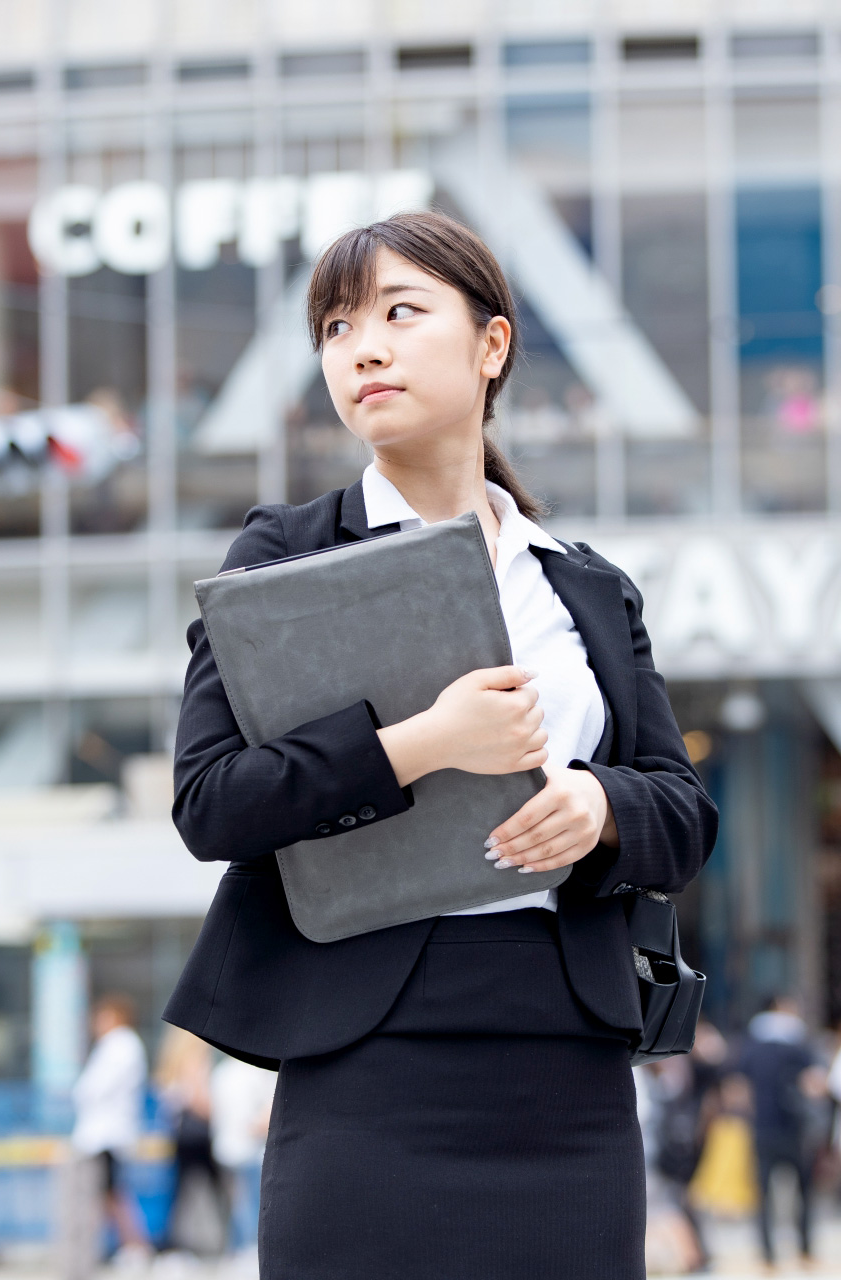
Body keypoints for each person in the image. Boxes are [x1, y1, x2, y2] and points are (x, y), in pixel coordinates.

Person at [163, 209, 719, 1279]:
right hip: (363, 1049)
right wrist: (419, 742)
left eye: (397, 313)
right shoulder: (283, 554)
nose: (359, 347)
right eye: (332, 326)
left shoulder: (583, 583)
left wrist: (601, 806)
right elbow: (211, 801)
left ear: (490, 345)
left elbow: (682, 813)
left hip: (565, 1059)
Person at [737, 995, 827, 1268]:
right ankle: (805, 1250)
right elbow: (817, 1084)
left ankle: (767, 1256)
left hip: (762, 1127)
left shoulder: (751, 1044)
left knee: (762, 1194)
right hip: (795, 1128)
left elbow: (738, 1088)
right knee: (804, 1191)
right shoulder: (799, 1043)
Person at [70, 994, 149, 1263]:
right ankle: (127, 1246)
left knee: (112, 1193)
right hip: (105, 1133)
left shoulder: (120, 1045)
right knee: (108, 1193)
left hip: (106, 1134)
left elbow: (93, 1089)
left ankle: (135, 1246)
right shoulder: (120, 1046)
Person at [155, 1027, 223, 1254]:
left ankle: (173, 1243)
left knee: (180, 1191)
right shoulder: (195, 1058)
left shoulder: (173, 1060)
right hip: (199, 1132)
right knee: (218, 1188)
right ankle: (229, 1242)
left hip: (181, 1132)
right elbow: (198, 1098)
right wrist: (222, 1115)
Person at [209, 1055, 276, 1254]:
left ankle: (237, 1248)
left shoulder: (221, 1072)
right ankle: (249, 1248)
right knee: (249, 1204)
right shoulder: (256, 1072)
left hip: (225, 1149)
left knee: (236, 1203)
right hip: (249, 1148)